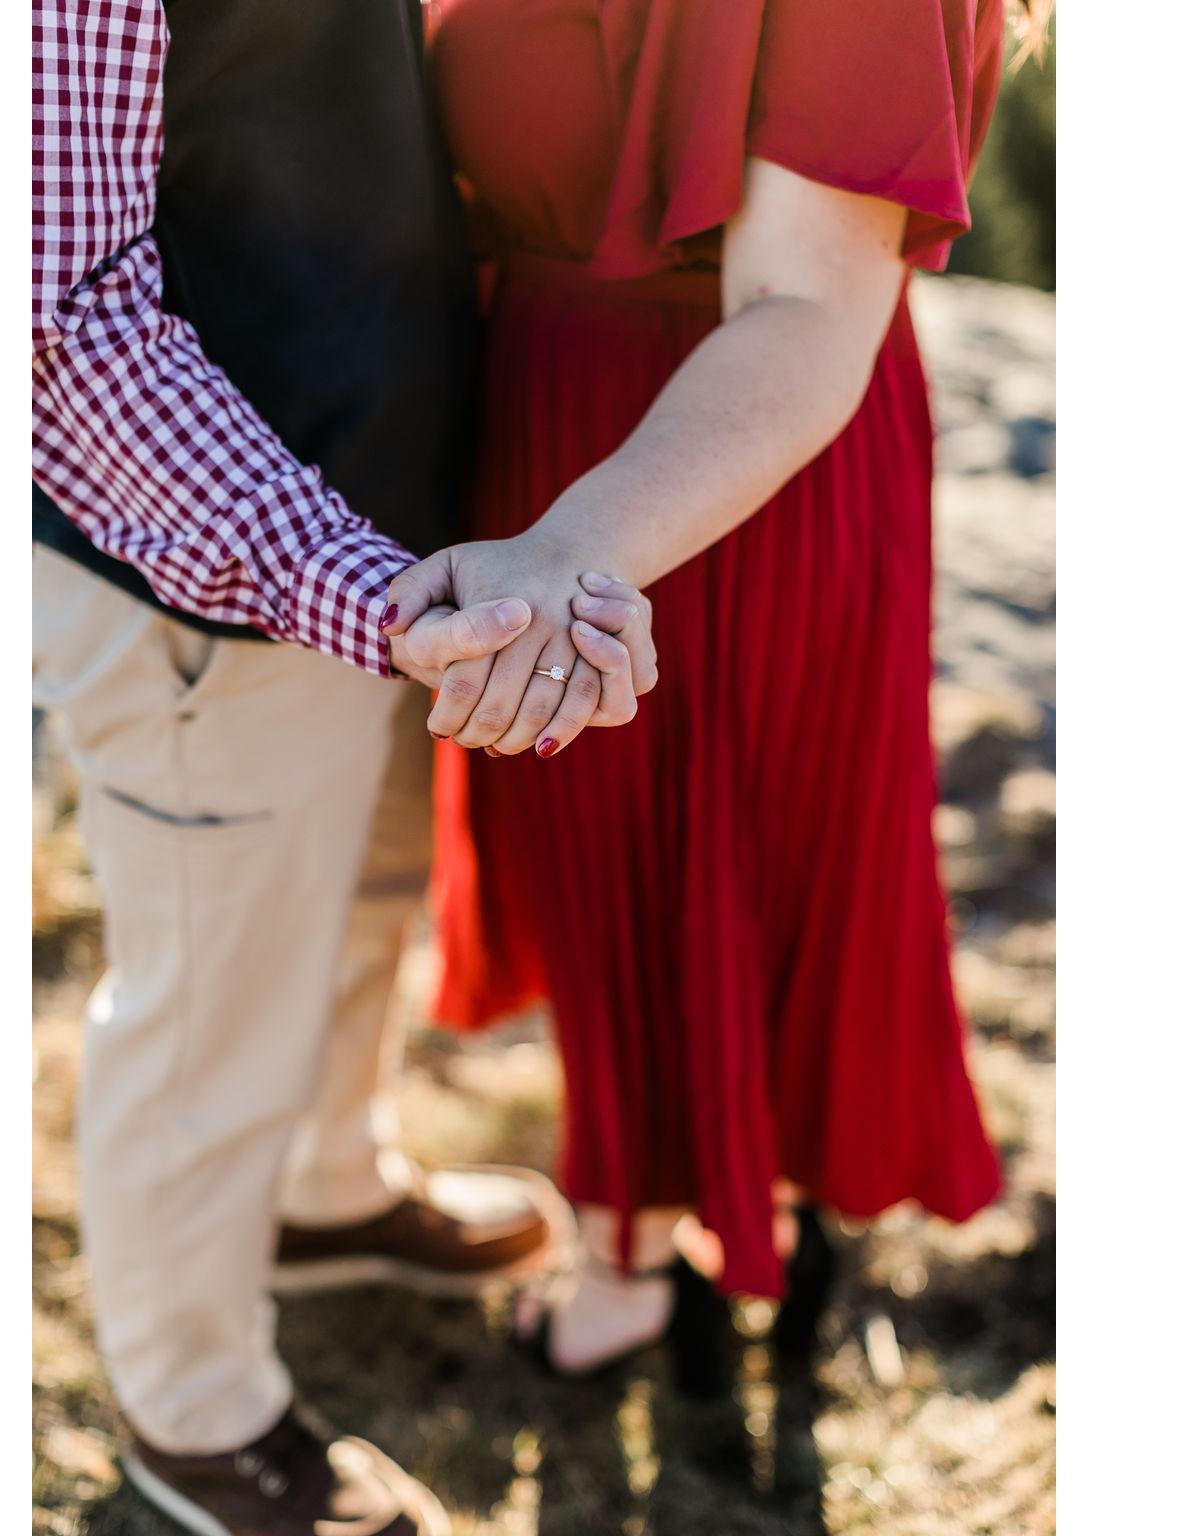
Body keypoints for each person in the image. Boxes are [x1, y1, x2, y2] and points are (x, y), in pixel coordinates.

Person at [31, 3, 655, 1534]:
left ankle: (325, 1190)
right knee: (210, 1005)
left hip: (364, 525)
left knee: (361, 882)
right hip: (206, 575)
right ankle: (196, 1414)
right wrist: (357, 585)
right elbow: (57, 320)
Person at [383, 0, 1013, 1378]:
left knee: (748, 844)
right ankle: (661, 1214)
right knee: (599, 853)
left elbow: (803, 306)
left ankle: (680, 1240)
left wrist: (570, 548)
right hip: (544, 415)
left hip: (728, 456)